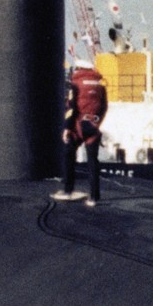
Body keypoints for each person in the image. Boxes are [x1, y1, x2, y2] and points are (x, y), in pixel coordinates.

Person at [55, 60, 105, 205]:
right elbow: (104, 106)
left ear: (79, 69)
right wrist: (96, 122)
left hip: (78, 126)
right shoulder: (100, 84)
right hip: (93, 126)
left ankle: (68, 190)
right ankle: (94, 197)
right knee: (93, 162)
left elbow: (71, 108)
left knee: (68, 154)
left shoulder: (76, 84)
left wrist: (67, 128)